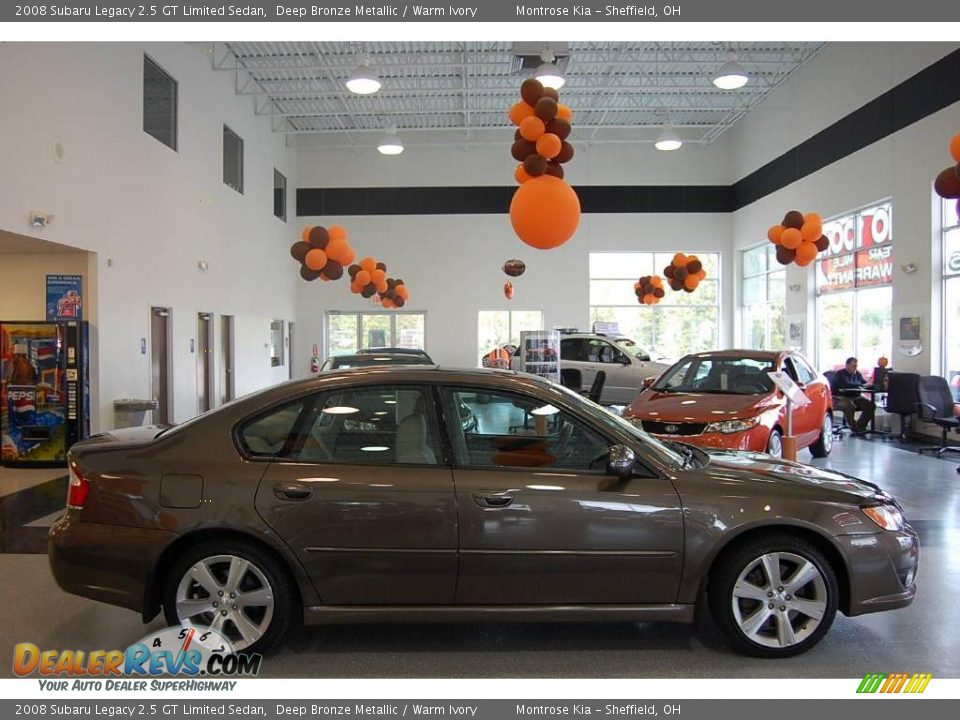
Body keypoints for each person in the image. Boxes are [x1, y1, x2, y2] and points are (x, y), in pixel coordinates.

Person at [830, 356, 876, 434]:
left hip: (855, 396)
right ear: (847, 365)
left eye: (856, 366)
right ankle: (854, 428)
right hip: (840, 397)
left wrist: (869, 385)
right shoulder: (840, 374)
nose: (855, 368)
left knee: (871, 405)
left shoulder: (857, 373)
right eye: (853, 366)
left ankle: (860, 426)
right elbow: (845, 385)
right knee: (850, 406)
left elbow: (863, 383)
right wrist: (858, 385)